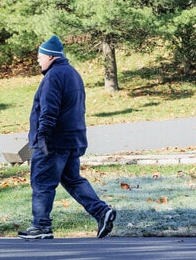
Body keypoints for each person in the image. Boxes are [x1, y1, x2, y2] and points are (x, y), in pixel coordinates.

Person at [18, 35, 116, 240]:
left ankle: (41, 227)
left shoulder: (53, 77)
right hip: (72, 139)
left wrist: (42, 138)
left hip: (53, 141)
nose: (38, 60)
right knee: (72, 179)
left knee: (42, 182)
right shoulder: (73, 74)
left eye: (40, 56)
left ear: (51, 57)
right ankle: (101, 211)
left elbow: (49, 111)